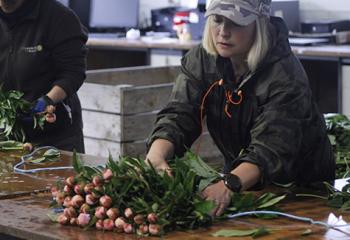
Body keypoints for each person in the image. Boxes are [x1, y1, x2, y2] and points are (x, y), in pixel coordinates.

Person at [146, 0, 335, 216]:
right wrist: (156, 156)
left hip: (301, 192)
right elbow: (180, 113)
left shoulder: (285, 75)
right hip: (239, 181)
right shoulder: (202, 60)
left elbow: (271, 149)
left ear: (259, 24)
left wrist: (229, 185)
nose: (223, 32)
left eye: (235, 23)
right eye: (217, 20)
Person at [0, 0, 88, 152]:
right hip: (7, 135)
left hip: (55, 139)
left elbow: (73, 72)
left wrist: (47, 100)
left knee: (61, 176)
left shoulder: (58, 17)